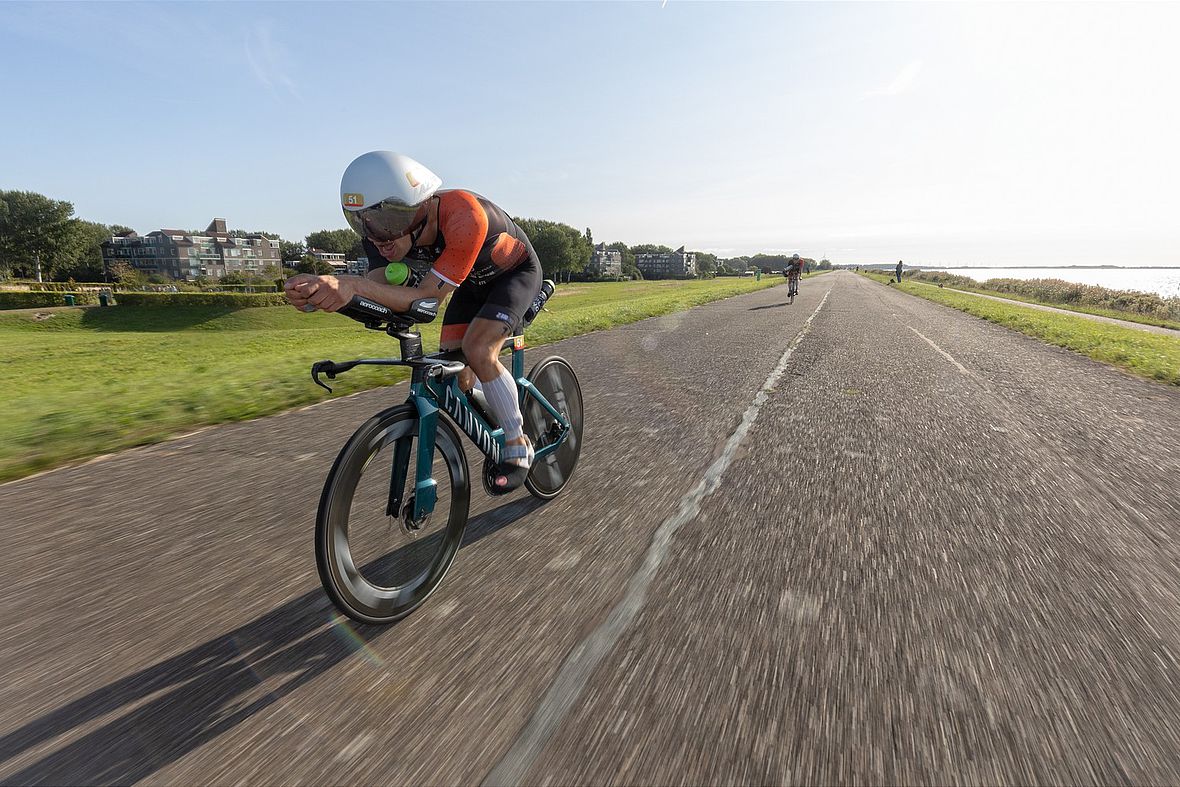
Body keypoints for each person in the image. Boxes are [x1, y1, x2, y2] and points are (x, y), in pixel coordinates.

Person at [284, 151, 541, 492]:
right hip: (471, 281)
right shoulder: (378, 233)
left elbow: (426, 299)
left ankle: (517, 442)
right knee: (456, 377)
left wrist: (354, 284)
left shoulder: (464, 215)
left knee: (478, 348)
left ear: (418, 206)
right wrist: (326, 294)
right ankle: (499, 398)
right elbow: (380, 293)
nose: (377, 237)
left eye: (387, 222)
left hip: (513, 276)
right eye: (361, 222)